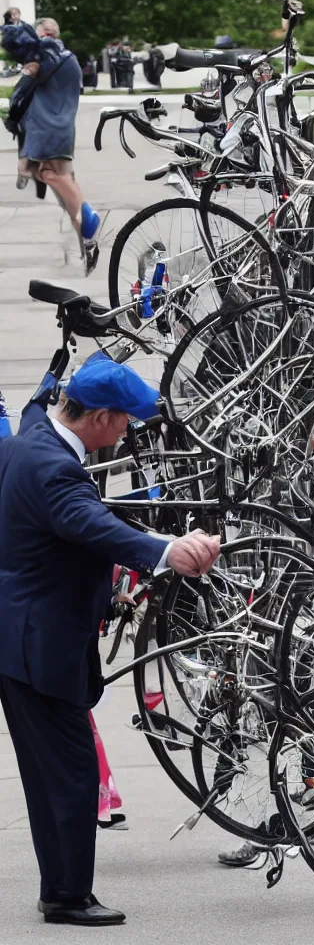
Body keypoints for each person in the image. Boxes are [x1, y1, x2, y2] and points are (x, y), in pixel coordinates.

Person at [0, 353, 222, 926]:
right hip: (36, 644)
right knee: (72, 770)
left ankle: (61, 887)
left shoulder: (35, 434)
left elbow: (72, 524)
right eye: (124, 419)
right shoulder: (56, 470)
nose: (128, 432)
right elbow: (89, 523)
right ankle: (68, 896)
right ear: (98, 417)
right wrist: (167, 550)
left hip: (19, 631)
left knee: (49, 771)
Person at [5, 18, 102, 273]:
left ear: (46, 34)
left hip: (49, 129)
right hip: (58, 128)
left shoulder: (51, 55)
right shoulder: (64, 58)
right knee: (64, 188)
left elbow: (25, 84)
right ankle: (87, 242)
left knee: (50, 175)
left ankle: (89, 219)